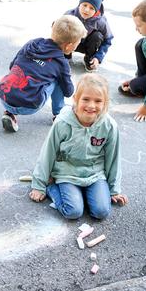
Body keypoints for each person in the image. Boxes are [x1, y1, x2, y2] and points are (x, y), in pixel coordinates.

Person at [29, 73, 129, 220]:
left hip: (94, 174)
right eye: (86, 99)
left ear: (105, 103)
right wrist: (39, 185)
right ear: (76, 99)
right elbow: (48, 152)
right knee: (73, 211)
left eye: (98, 101)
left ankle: (82, 194)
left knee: (101, 211)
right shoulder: (63, 122)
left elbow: (113, 158)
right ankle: (52, 187)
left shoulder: (109, 126)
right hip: (67, 173)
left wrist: (114, 190)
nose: (91, 106)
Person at [0, 15, 87, 132]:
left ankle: (9, 113)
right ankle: (58, 114)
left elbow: (12, 65)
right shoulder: (61, 62)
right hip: (29, 105)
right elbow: (68, 92)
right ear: (69, 46)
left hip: (5, 97)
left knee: (18, 72)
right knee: (58, 80)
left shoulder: (33, 44)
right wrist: (65, 76)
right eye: (78, 42)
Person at [64, 0, 114, 72]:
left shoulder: (101, 21)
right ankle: (66, 56)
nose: (86, 10)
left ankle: (89, 59)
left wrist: (98, 57)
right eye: (84, 5)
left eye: (91, 8)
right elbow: (58, 32)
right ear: (79, 4)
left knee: (97, 36)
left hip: (88, 45)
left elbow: (108, 39)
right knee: (65, 28)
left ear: (96, 11)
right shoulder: (70, 14)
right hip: (71, 44)